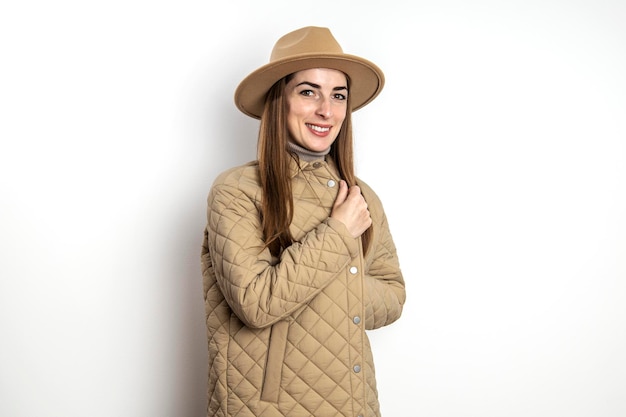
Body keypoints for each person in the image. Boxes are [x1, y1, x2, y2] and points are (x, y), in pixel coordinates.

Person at [201, 26, 406, 417]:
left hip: (353, 401)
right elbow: (255, 304)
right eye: (308, 91)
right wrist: (338, 234)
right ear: (279, 100)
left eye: (338, 95)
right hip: (266, 406)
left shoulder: (360, 197)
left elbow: (393, 296)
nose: (326, 110)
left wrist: (332, 283)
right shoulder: (237, 190)